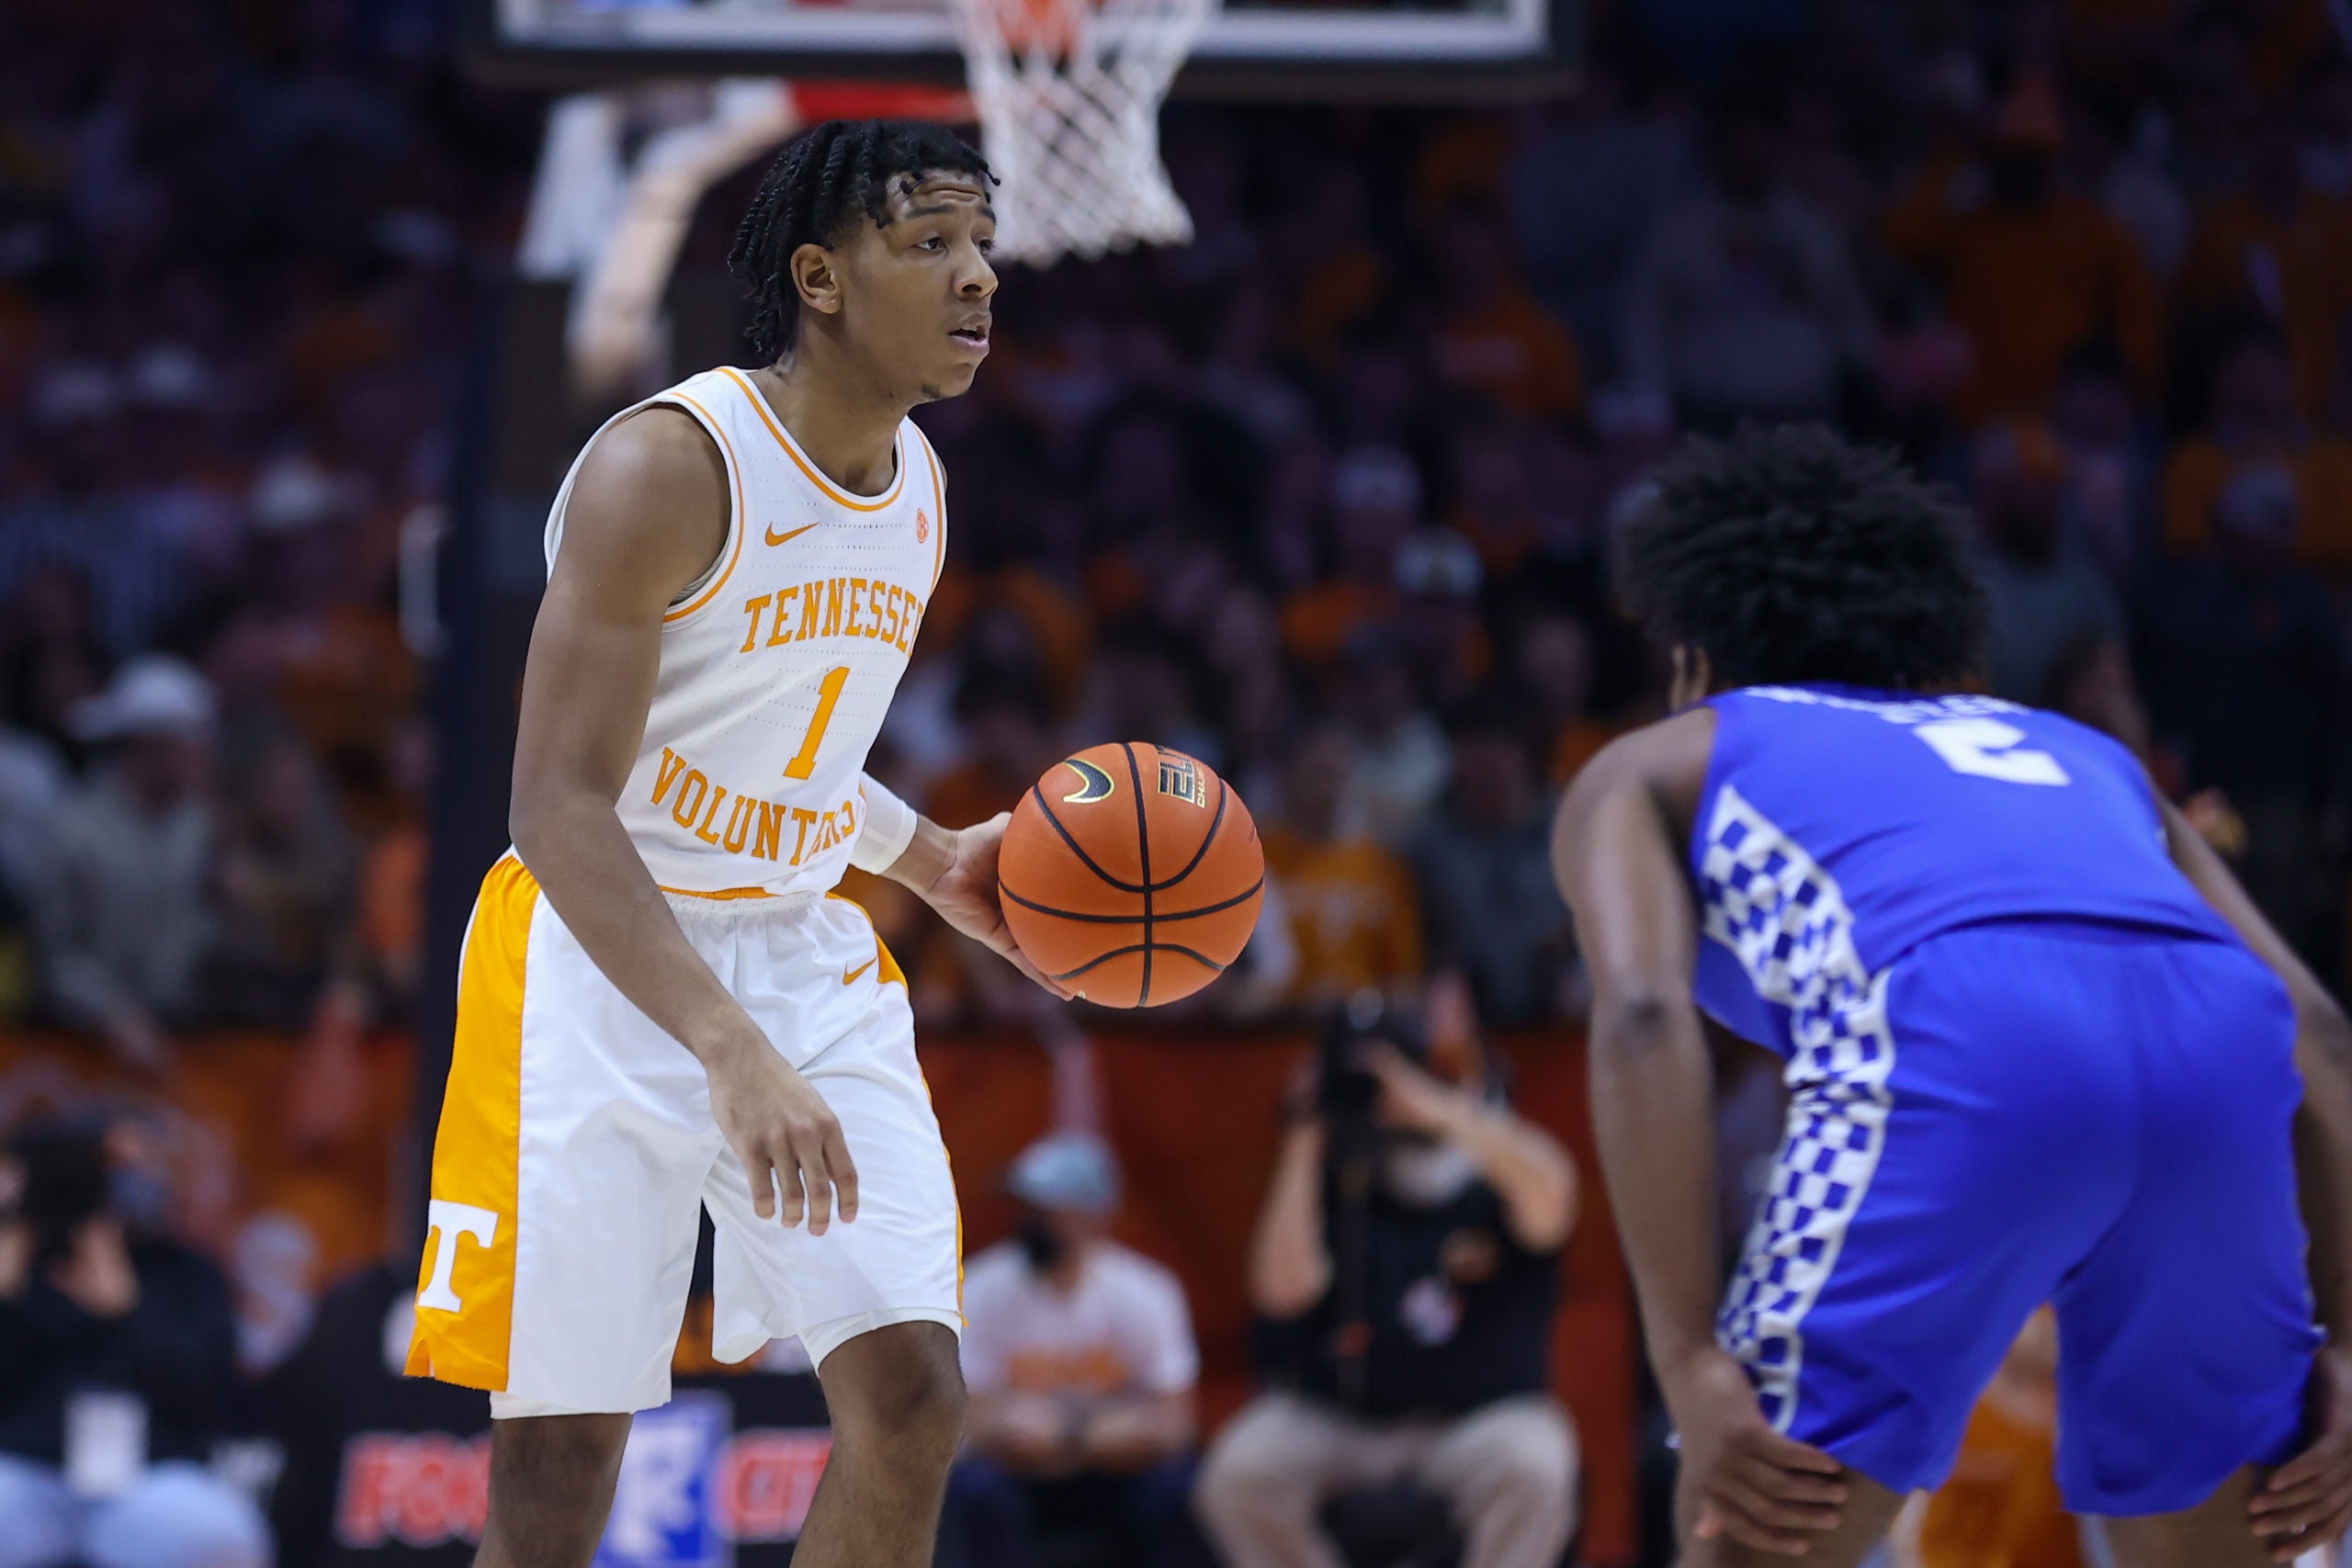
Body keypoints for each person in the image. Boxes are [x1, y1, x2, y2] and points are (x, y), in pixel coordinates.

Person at [402, 120, 1066, 1568]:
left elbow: (785, 755)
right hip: (596, 957)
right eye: (931, 245)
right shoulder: (670, 464)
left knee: (912, 1395)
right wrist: (726, 1044)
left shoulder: (920, 490)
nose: (977, 281)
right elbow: (561, 801)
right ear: (820, 277)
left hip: (796, 952)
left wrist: (928, 858)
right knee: (560, 1464)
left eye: (983, 249)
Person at [1548, 424, 2352, 1566]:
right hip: (2215, 1059)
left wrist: (1686, 1365)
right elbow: (2317, 1027)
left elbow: (1638, 1016)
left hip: (1957, 1037)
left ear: (1690, 658)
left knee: (1759, 1532)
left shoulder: (1661, 758)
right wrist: (2347, 1347)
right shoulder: (2080, 754)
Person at [1194, 997, 1581, 1568]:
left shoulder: (1489, 1165)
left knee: (1537, 1465)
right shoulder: (1336, 1170)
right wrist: (1303, 1142)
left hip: (1477, 1419)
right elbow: (1281, 1292)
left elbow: (1556, 1197)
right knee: (1238, 1472)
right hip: (1341, 1421)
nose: (1382, 1093)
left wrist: (1438, 1110)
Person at [0, 1116, 268, 1568]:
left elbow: (211, 1399)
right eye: (107, 1169)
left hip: (147, 1482)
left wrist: (126, 1312)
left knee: (221, 1536)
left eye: (140, 1167)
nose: (127, 1185)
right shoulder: (26, 1264)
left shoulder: (189, 1273)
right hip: (31, 1478)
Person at [945, 1132, 1199, 1568]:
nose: (1029, 1221)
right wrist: (1013, 1430)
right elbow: (965, 1415)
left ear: (1093, 1217)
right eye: (1024, 1207)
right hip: (1020, 1473)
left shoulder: (1147, 1291)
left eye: (1046, 1211)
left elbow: (1179, 1421)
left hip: (1117, 1471)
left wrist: (1079, 1432)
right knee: (971, 1489)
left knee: (1179, 1489)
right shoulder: (981, 1286)